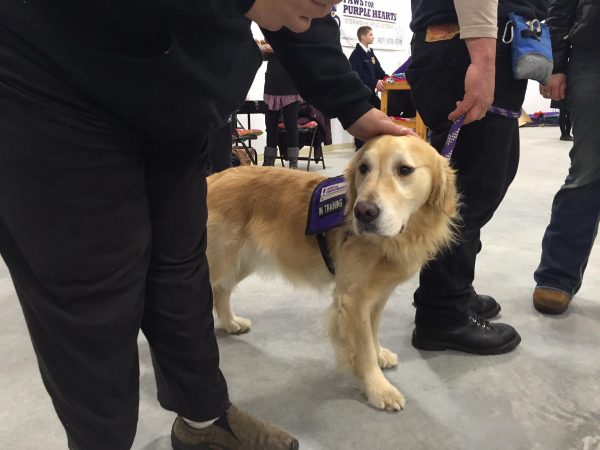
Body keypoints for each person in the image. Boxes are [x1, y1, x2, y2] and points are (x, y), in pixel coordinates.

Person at [0, 1, 415, 449]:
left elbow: (302, 19)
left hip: (176, 98)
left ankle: (203, 422)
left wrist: (353, 103)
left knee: (183, 273)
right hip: (51, 80)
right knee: (92, 294)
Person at [406, 0, 547, 354]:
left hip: (469, 39)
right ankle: (442, 313)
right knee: (471, 186)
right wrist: (482, 60)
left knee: (482, 178)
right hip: (467, 41)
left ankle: (450, 290)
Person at [533, 0, 600, 315]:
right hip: (593, 53)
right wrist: (556, 64)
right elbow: (561, 6)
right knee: (587, 169)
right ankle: (557, 276)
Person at [260, 40, 302, 169]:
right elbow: (262, 56)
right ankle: (269, 160)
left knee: (291, 127)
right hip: (271, 87)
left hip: (289, 87)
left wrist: (274, 46)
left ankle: (293, 161)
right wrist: (261, 47)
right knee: (270, 127)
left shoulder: (293, 39)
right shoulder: (270, 38)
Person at [349, 26, 388, 149]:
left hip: (370, 93)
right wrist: (374, 82)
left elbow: (378, 70)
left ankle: (375, 144)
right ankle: (360, 147)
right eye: (370, 34)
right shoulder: (356, 55)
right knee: (362, 120)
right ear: (363, 37)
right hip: (360, 95)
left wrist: (387, 77)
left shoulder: (370, 53)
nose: (373, 37)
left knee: (381, 112)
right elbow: (359, 75)